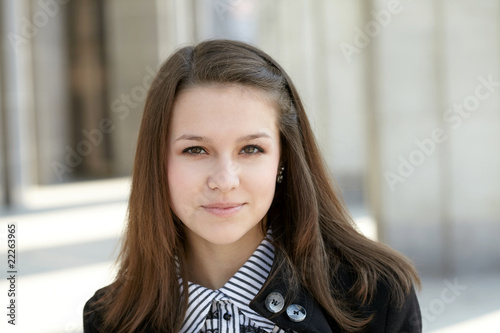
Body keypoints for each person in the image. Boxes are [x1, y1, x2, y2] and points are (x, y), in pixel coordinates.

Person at [83, 39, 421, 333]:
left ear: (283, 157)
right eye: (195, 150)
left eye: (251, 149)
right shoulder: (109, 318)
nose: (224, 181)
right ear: (157, 161)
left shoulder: (375, 296)